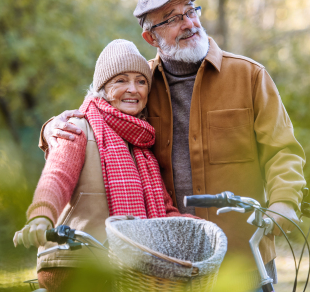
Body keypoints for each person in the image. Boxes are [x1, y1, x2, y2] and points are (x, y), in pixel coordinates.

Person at [40, 0, 307, 285]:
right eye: (171, 18)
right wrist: (51, 128)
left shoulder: (249, 76)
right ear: (150, 36)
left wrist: (284, 201)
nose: (188, 23)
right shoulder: (141, 86)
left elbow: (283, 151)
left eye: (190, 11)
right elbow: (97, 114)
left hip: (242, 253)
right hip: (167, 262)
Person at [14, 39, 193, 291]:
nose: (133, 89)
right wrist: (41, 216)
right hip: (76, 264)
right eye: (121, 80)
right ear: (102, 87)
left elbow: (162, 210)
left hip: (127, 273)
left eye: (141, 81)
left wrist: (192, 231)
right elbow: (57, 175)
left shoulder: (143, 145)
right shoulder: (78, 127)